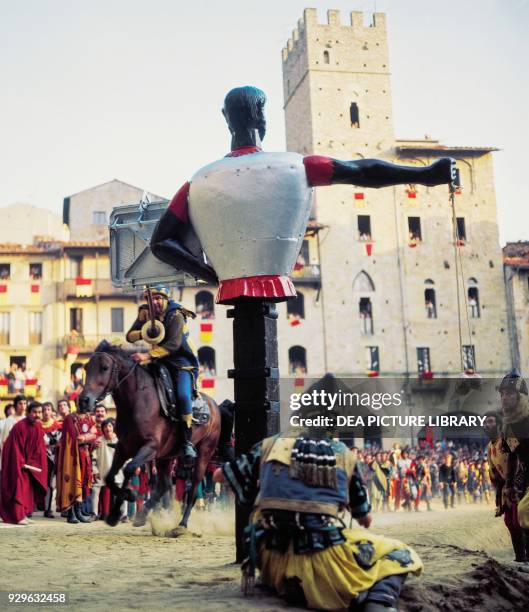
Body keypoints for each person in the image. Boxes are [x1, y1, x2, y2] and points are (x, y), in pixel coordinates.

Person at [150, 85, 456, 305]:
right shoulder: (298, 166)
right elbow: (363, 171)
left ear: (226, 119)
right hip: (275, 281)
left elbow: (160, 243)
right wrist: (425, 175)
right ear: (261, 117)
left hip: (229, 287)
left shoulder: (197, 182)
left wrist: (211, 275)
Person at [214, 432, 422, 611]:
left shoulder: (269, 445)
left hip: (270, 558)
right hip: (324, 558)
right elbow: (365, 519)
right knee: (401, 553)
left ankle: (279, 584)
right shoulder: (343, 453)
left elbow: (218, 475)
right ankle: (380, 602)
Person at [126, 285, 199, 466]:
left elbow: (174, 344)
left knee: (182, 395)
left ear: (166, 300)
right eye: (153, 299)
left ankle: (187, 441)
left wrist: (146, 355)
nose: (156, 302)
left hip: (181, 363)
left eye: (159, 299)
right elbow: (130, 336)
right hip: (159, 362)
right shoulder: (145, 313)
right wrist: (143, 330)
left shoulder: (176, 315)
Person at [484, 409, 528, 562]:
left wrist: (517, 483)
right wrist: (499, 500)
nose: (487, 424)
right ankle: (520, 557)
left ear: (498, 423)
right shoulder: (490, 447)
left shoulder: (508, 438)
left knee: (520, 521)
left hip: (522, 482)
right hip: (507, 488)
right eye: (485, 422)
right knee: (510, 522)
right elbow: (494, 475)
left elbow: (520, 456)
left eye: (490, 421)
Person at [0, 401, 47, 525]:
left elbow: (39, 448)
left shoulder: (38, 426)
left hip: (29, 464)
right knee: (18, 488)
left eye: (39, 412)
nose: (37, 415)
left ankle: (23, 514)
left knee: (27, 490)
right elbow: (13, 447)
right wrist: (21, 462)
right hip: (17, 463)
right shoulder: (19, 426)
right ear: (28, 413)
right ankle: (17, 516)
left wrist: (33, 462)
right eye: (34, 412)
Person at [499, 370, 529, 554]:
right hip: (526, 474)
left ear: (522, 397)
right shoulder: (509, 425)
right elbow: (511, 454)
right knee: (520, 516)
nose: (504, 398)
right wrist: (509, 484)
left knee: (525, 512)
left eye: (509, 393)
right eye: (502, 394)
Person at [56, 398, 97, 524]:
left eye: (86, 403)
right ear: (77, 404)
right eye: (81, 403)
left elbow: (94, 434)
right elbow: (73, 438)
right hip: (72, 456)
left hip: (85, 455)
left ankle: (79, 512)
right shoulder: (70, 418)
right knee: (72, 482)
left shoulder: (90, 418)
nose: (84, 406)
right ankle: (71, 513)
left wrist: (86, 437)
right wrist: (87, 437)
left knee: (82, 482)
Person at [91, 418, 126, 521]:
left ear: (113, 428)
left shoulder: (120, 440)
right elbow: (93, 458)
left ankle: (124, 515)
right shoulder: (99, 441)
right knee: (95, 490)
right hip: (102, 471)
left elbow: (127, 456)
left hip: (118, 472)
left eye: (110, 426)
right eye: (105, 426)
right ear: (102, 429)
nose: (107, 428)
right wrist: (95, 471)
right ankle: (94, 513)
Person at [40, 402, 61, 518]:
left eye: (48, 409)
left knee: (50, 483)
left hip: (52, 458)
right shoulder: (37, 425)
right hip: (39, 457)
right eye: (44, 409)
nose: (46, 412)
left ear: (52, 411)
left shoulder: (57, 425)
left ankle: (48, 509)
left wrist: (46, 441)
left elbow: (56, 441)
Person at [0, 395, 27, 469]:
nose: (23, 406)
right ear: (16, 405)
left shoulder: (27, 419)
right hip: (13, 452)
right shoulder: (10, 420)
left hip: (25, 453)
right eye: (20, 403)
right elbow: (4, 439)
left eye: (24, 403)